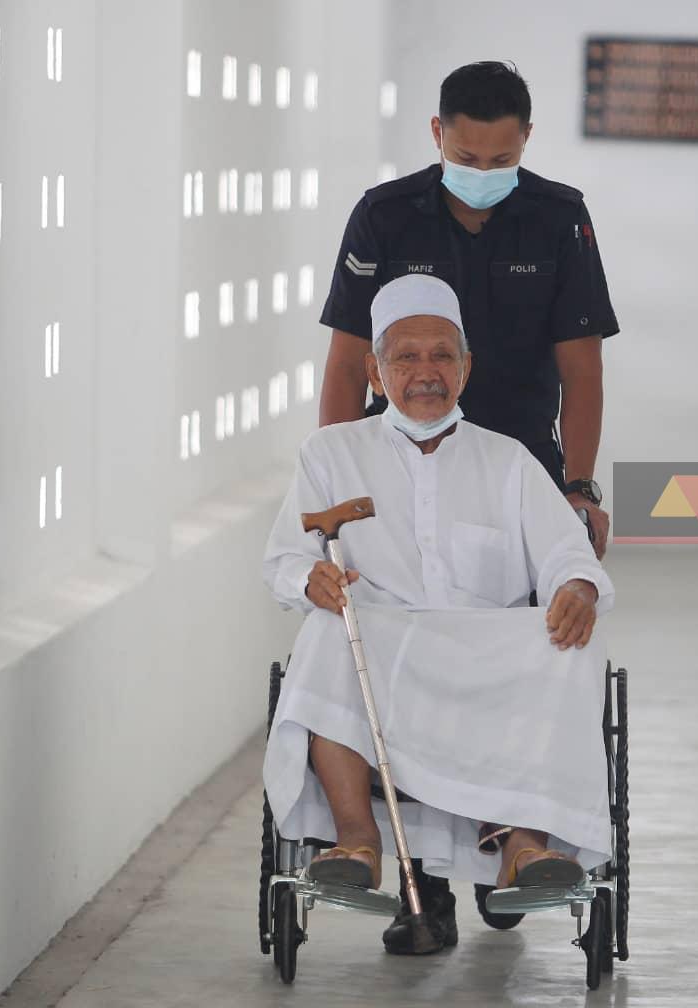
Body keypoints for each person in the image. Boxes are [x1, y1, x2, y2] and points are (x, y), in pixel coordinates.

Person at [263, 274, 614, 954]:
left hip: (486, 665)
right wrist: (313, 580)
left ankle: (524, 846)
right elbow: (284, 559)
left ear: (466, 368)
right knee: (327, 633)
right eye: (406, 358)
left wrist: (577, 587)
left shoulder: (508, 460)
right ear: (374, 372)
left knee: (569, 641)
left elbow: (567, 553)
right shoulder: (331, 454)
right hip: (379, 658)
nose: (426, 373)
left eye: (442, 356)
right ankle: (357, 842)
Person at [318, 60, 618, 557]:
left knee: (532, 598)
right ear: (438, 132)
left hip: (522, 457)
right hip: (400, 458)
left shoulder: (559, 219)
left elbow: (582, 370)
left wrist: (579, 486)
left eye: (501, 160)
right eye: (466, 157)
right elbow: (348, 364)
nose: (482, 173)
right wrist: (337, 479)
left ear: (526, 137)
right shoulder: (384, 217)